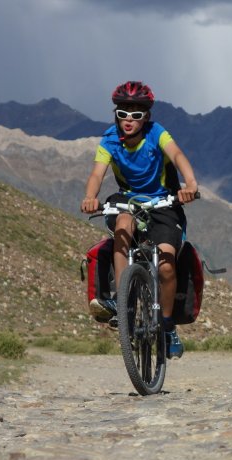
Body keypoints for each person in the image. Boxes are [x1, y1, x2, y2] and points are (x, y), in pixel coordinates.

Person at [81, 81, 199, 359]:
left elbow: (177, 155)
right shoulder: (110, 139)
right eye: (123, 113)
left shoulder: (157, 133)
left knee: (166, 265)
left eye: (136, 115)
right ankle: (123, 301)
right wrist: (90, 196)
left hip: (163, 203)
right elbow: (97, 173)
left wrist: (190, 184)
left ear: (146, 117)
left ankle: (167, 326)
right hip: (128, 200)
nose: (129, 120)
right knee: (123, 226)